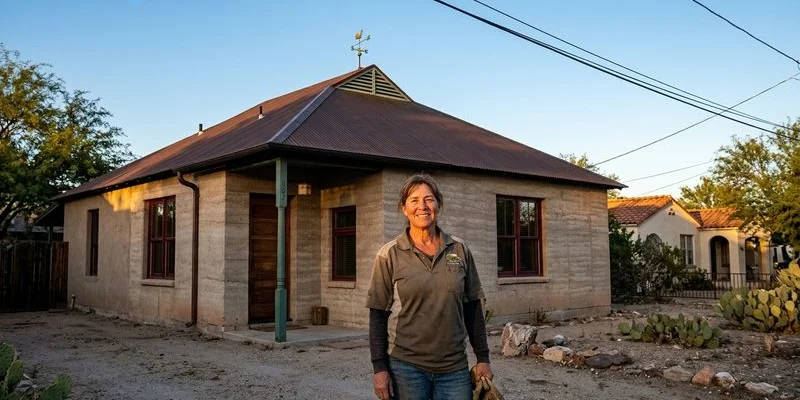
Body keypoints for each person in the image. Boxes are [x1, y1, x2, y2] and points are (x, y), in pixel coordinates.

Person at [367, 173, 493, 400]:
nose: (422, 206)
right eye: (414, 200)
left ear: (438, 204)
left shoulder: (459, 249)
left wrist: (482, 357)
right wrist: (379, 368)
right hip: (406, 368)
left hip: (454, 368)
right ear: (404, 208)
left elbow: (473, 307)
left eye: (429, 199)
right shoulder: (389, 255)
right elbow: (378, 315)